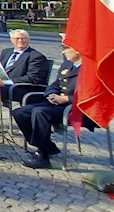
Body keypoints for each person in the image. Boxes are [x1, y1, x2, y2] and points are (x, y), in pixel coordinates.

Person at [13, 40, 91, 169]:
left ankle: (42, 156)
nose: (64, 52)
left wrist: (66, 98)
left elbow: (92, 95)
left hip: (76, 108)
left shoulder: (90, 69)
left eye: (66, 49)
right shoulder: (67, 65)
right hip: (58, 104)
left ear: (77, 50)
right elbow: (55, 84)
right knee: (20, 113)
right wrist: (51, 94)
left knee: (40, 112)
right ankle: (47, 146)